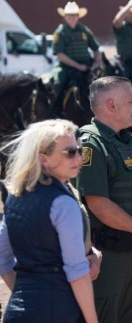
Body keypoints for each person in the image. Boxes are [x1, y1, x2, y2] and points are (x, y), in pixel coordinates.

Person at [76, 76, 132, 323]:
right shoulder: (91, 145)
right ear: (112, 105)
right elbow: (98, 205)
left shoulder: (131, 141)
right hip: (105, 255)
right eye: (131, 101)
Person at [0, 119, 98, 323]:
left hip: (17, 313)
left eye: (80, 150)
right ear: (44, 159)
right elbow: (77, 271)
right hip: (59, 313)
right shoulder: (63, 203)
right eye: (70, 152)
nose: (78, 157)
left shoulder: (14, 197)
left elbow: (3, 261)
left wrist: (27, 296)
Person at [52, 1, 101, 115]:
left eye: (74, 16)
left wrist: (97, 62)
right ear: (65, 17)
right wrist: (78, 66)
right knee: (58, 83)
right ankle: (56, 111)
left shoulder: (84, 30)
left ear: (78, 17)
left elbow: (96, 48)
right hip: (67, 67)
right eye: (69, 16)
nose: (72, 19)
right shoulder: (60, 32)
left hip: (87, 65)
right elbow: (60, 54)